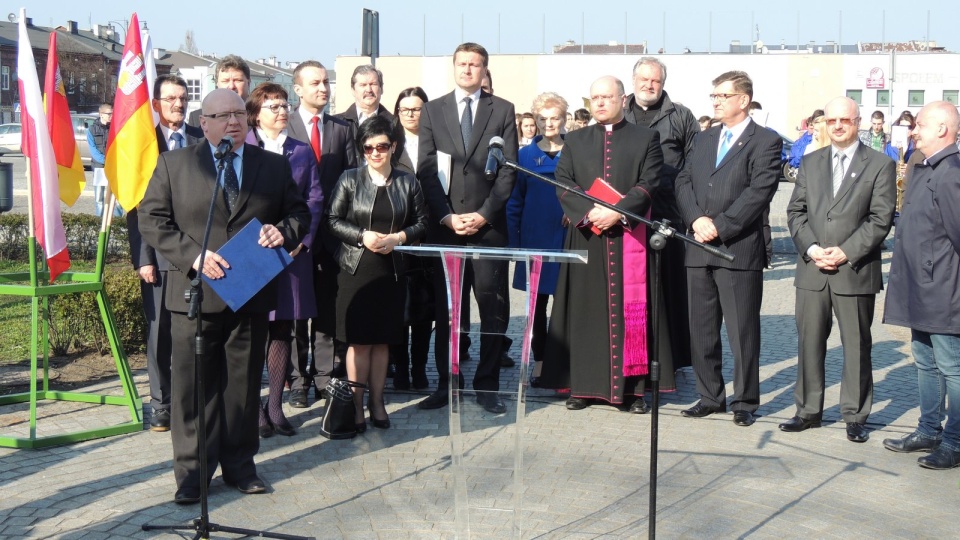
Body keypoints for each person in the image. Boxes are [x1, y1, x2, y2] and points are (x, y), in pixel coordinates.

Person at [138, 89, 310, 503]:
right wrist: (192, 256)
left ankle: (240, 466)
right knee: (194, 389)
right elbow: (151, 219)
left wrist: (282, 232)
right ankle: (193, 474)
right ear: (206, 120)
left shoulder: (270, 165)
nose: (233, 122)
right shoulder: (174, 164)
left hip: (249, 293)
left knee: (242, 387)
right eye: (222, 115)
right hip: (194, 295)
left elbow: (299, 212)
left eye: (239, 114)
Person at [540, 75, 664, 412]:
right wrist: (591, 213)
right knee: (584, 312)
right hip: (586, 237)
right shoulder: (576, 140)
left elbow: (651, 181)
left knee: (631, 313)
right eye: (594, 98)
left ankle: (634, 391)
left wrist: (618, 213)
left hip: (628, 237)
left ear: (623, 100)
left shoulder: (645, 138)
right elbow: (563, 182)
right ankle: (582, 386)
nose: (600, 103)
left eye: (607, 97)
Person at [782, 96, 896, 443]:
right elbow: (795, 212)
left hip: (854, 270)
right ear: (823, 124)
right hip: (812, 269)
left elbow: (881, 219)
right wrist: (813, 248)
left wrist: (845, 252)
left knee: (857, 346)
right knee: (809, 342)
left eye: (844, 120)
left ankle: (856, 414)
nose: (837, 127)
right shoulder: (812, 161)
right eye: (831, 121)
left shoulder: (878, 164)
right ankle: (807, 410)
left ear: (857, 121)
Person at [674, 71, 782, 427]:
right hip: (697, 246)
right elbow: (684, 180)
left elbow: (759, 191)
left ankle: (745, 401)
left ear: (743, 100)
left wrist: (719, 226)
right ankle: (709, 396)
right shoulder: (704, 139)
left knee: (742, 332)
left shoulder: (764, 141)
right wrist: (695, 220)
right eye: (714, 96)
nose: (716, 101)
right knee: (702, 330)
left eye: (722, 96)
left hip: (737, 250)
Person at [417, 42, 518, 414]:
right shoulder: (433, 110)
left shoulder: (503, 110)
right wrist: (444, 216)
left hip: (488, 229)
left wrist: (485, 214)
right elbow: (426, 169)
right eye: (462, 63)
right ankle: (448, 383)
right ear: (454, 67)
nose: (468, 70)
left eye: (475, 64)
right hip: (446, 227)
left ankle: (487, 384)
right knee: (448, 311)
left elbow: (509, 171)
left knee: (493, 309)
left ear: (484, 69)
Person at [328, 115, 428, 431]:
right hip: (356, 270)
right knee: (358, 342)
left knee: (383, 341)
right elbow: (332, 219)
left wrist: (398, 238)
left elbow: (423, 223)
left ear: (393, 146)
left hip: (391, 272)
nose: (375, 153)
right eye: (368, 148)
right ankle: (356, 407)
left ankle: (378, 402)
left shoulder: (408, 181)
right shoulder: (349, 179)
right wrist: (362, 236)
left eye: (381, 146)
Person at [882, 101, 960, 470]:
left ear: (943, 128)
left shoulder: (951, 172)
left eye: (921, 125)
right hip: (919, 285)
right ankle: (929, 429)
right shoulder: (925, 167)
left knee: (951, 367)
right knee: (925, 362)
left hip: (943, 289)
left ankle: (956, 441)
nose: (913, 130)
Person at [244, 83, 323, 438]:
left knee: (282, 329)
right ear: (256, 113)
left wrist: (300, 241)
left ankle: (275, 407)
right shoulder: (243, 147)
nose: (281, 111)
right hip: (250, 254)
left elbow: (314, 200)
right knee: (251, 332)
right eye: (272, 106)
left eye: (283, 105)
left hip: (290, 254)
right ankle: (252, 409)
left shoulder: (302, 151)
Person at [126, 75, 203, 433]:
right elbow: (137, 207)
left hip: (197, 253)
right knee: (160, 332)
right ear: (156, 103)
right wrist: (143, 257)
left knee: (192, 329)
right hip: (157, 253)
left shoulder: (201, 140)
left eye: (183, 98)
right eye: (170, 98)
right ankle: (161, 403)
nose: (178, 104)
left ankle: (192, 398)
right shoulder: (144, 143)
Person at [285, 60, 358, 409]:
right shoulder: (286, 127)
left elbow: (351, 180)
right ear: (298, 89)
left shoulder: (342, 129)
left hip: (331, 236)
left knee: (328, 310)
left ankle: (326, 376)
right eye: (315, 83)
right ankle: (299, 379)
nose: (323, 89)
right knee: (298, 312)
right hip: (296, 234)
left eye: (326, 82)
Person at [624, 56, 699, 379]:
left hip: (668, 215)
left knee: (667, 292)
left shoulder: (681, 117)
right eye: (643, 79)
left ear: (663, 83)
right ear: (633, 80)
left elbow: (695, 164)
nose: (648, 85)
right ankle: (630, 356)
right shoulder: (619, 112)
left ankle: (669, 359)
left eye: (654, 80)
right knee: (629, 293)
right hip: (624, 215)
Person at [506, 92, 569, 387]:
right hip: (535, 240)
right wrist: (514, 244)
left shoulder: (576, 152)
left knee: (568, 306)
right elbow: (514, 202)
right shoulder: (524, 157)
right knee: (536, 308)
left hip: (569, 239)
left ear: (564, 118)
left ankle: (566, 364)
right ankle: (541, 362)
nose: (548, 123)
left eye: (554, 117)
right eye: (542, 118)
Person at [390, 86, 433, 391]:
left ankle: (419, 368)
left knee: (424, 309)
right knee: (398, 309)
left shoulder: (437, 141)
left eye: (416, 109)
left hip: (429, 233)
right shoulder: (391, 144)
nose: (410, 114)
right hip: (398, 233)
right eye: (404, 109)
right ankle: (401, 369)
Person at [187, 54, 250, 126]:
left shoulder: (259, 115)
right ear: (217, 84)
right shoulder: (197, 118)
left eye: (237, 80)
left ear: (248, 83)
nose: (231, 86)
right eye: (225, 81)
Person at [338, 64, 394, 137]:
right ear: (353, 90)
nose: (368, 90)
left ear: (381, 88)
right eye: (363, 85)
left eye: (373, 84)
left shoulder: (394, 123)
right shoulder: (337, 124)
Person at [87, 103, 121, 217]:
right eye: (109, 113)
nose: (111, 115)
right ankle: (100, 223)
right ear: (101, 114)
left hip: (115, 167)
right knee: (99, 199)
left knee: (117, 198)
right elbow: (93, 151)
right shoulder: (92, 130)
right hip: (99, 168)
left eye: (113, 113)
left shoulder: (115, 128)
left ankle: (116, 224)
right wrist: (106, 161)